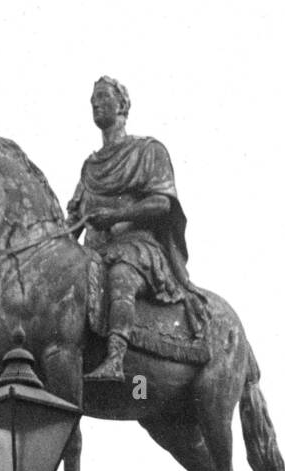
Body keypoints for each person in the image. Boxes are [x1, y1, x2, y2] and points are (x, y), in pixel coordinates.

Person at [68, 76, 205, 381]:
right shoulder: (89, 167)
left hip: (136, 247)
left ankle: (115, 359)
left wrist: (115, 215)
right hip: (93, 252)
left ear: (123, 105)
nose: (95, 103)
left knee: (121, 275)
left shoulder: (148, 151)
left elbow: (161, 203)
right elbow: (73, 221)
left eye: (103, 97)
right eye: (92, 99)